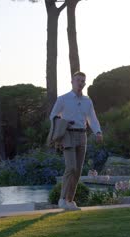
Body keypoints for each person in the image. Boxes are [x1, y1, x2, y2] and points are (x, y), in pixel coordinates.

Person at [49, 71, 103, 210]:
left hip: (82, 136)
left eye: (82, 81)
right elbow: (53, 116)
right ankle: (61, 199)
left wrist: (98, 132)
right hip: (68, 135)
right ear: (72, 81)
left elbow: (92, 118)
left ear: (84, 83)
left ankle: (70, 201)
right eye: (78, 80)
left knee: (78, 170)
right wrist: (64, 122)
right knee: (71, 167)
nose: (80, 83)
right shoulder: (63, 99)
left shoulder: (87, 101)